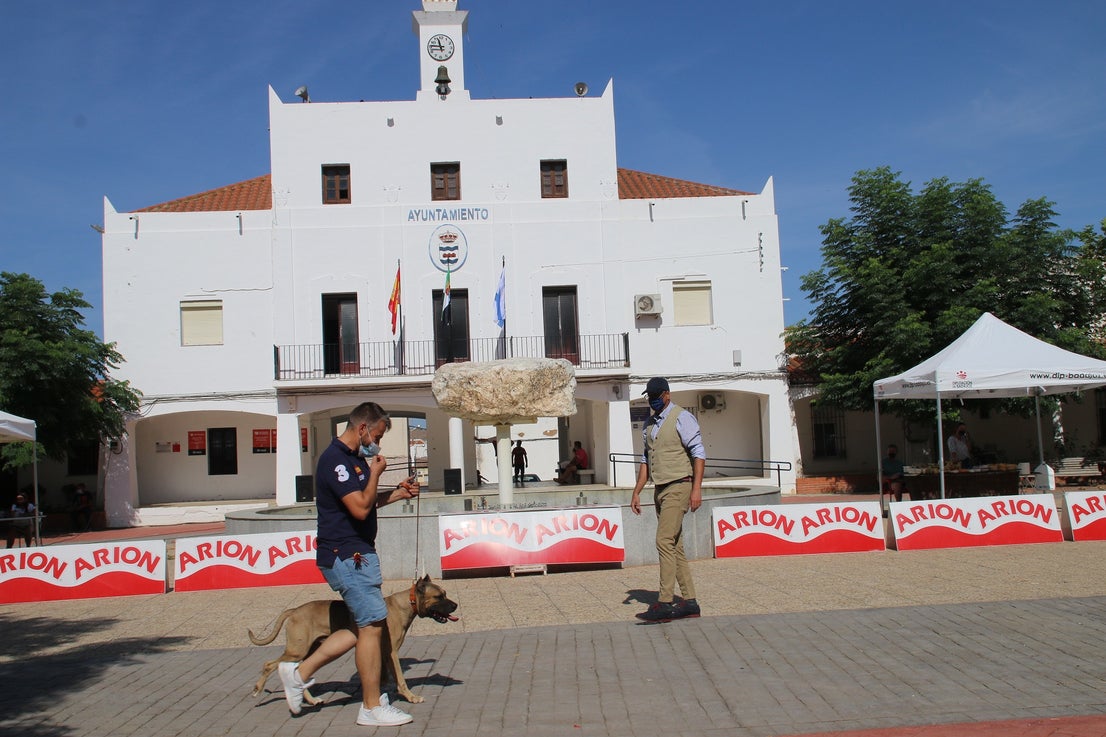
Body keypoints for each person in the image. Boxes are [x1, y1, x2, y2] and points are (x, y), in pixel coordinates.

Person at [278, 401, 421, 727]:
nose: (378, 443)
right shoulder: (335, 461)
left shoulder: (353, 461)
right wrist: (374, 473)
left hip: (355, 553)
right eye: (378, 435)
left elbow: (365, 501)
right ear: (362, 429)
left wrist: (397, 493)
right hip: (347, 556)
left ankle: (298, 673)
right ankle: (371, 706)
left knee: (360, 628)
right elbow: (358, 508)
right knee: (373, 626)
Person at [630, 377, 706, 622]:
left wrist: (696, 489)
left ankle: (664, 602)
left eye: (655, 396)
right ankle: (690, 602)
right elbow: (645, 460)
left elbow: (699, 454)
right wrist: (637, 491)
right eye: (648, 397)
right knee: (675, 544)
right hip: (660, 487)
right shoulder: (649, 424)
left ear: (666, 395)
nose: (652, 401)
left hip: (680, 484)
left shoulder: (682, 417)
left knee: (663, 540)